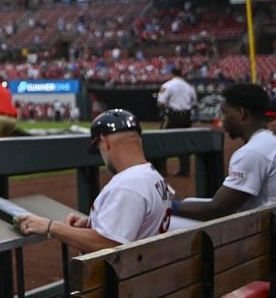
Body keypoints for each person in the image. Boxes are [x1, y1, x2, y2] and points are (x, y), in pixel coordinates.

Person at [16, 109, 171, 253]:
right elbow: (141, 219)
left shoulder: (127, 185)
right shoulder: (152, 175)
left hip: (123, 279)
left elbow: (109, 245)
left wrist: (51, 227)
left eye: (99, 148)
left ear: (105, 142)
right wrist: (93, 221)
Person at [172, 83, 276, 221]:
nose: (222, 120)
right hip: (265, 221)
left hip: (260, 233)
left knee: (166, 221)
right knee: (188, 202)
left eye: (224, 112)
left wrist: (166, 206)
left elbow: (217, 209)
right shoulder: (269, 140)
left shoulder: (252, 152)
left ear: (241, 113)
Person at [155, 67, 197, 176]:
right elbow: (194, 105)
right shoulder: (189, 86)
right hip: (186, 117)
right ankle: (185, 170)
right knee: (184, 142)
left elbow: (160, 103)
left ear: (171, 73)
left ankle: (162, 170)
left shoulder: (168, 85)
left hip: (173, 117)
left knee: (161, 141)